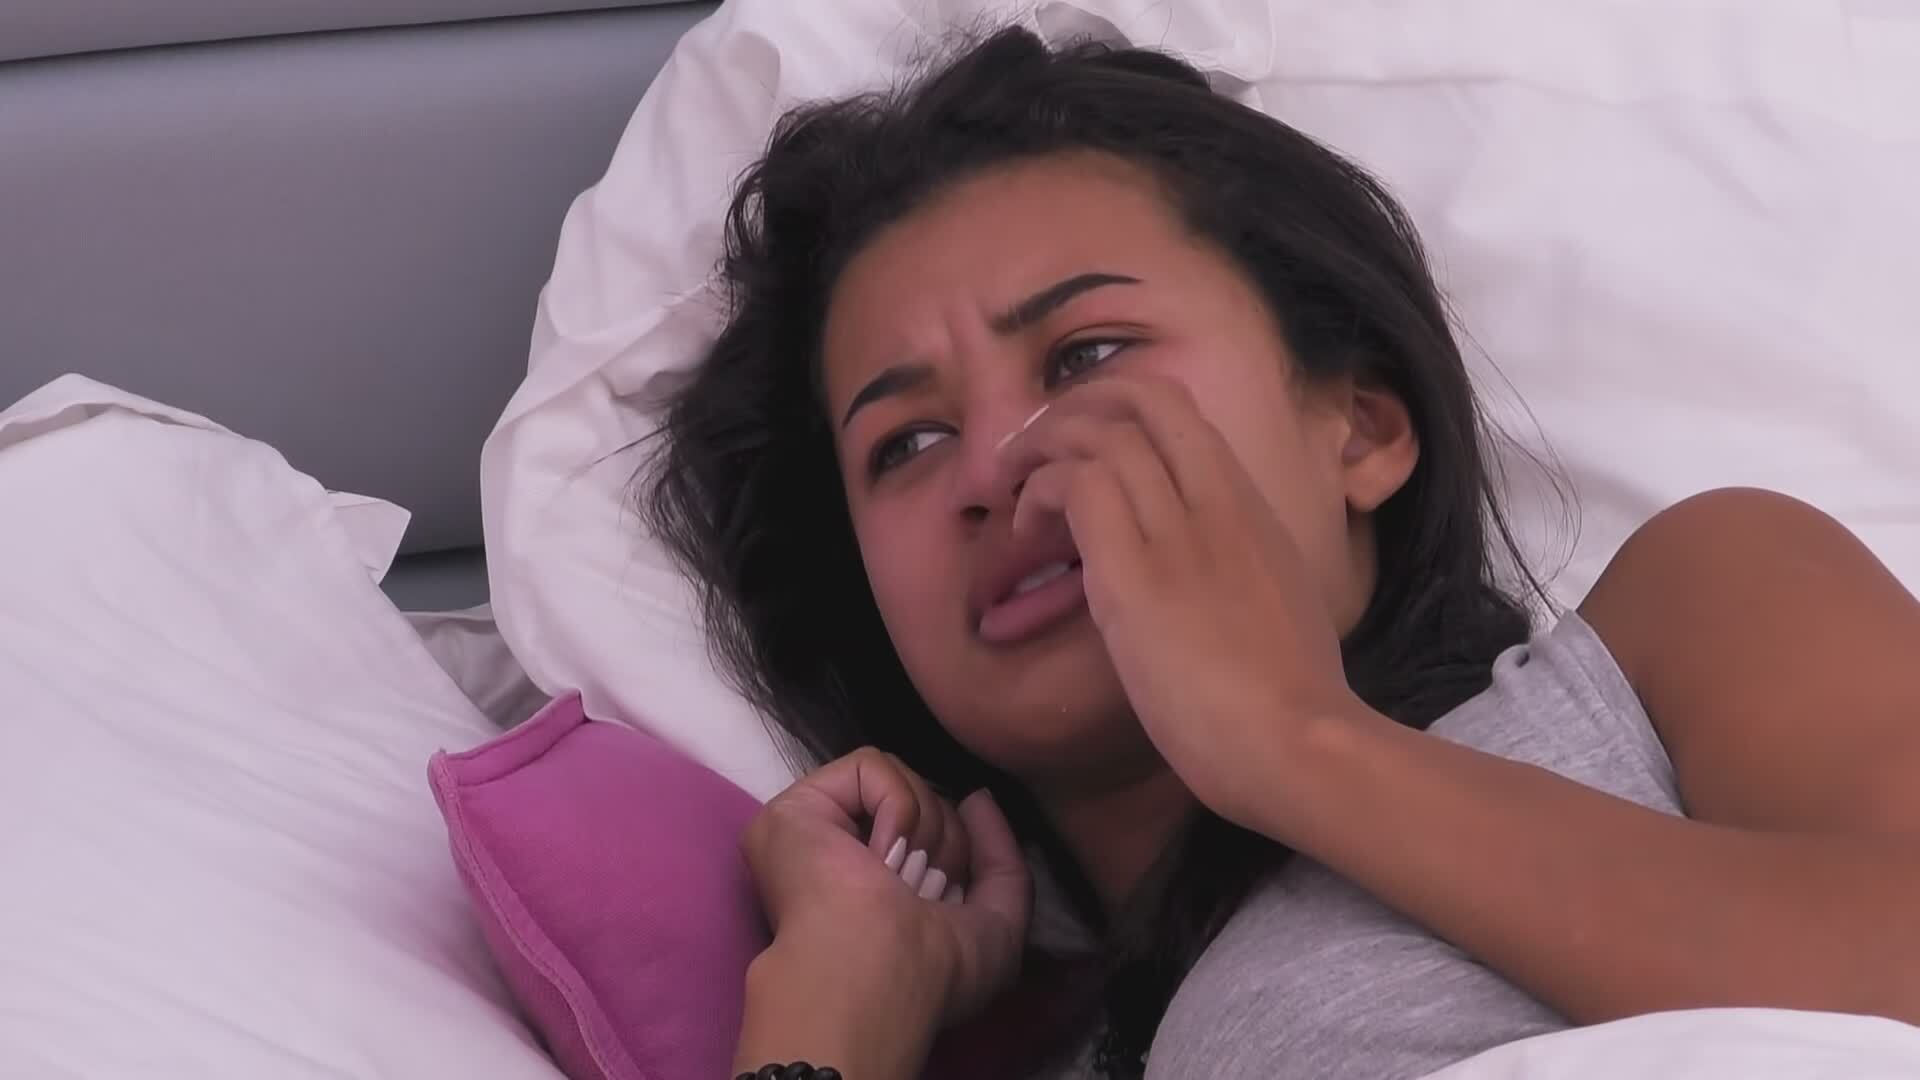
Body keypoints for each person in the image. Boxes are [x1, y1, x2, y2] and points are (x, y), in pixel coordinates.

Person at [644, 26, 1920, 1080]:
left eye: (1087, 356)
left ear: (1359, 428)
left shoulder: (1693, 617)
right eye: (908, 444)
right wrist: (829, 1025)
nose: (994, 470)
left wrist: (1295, 740)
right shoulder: (1001, 1031)